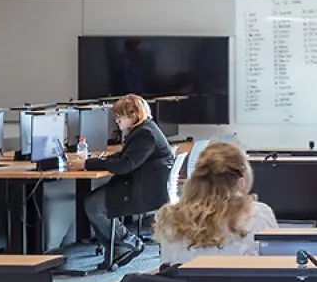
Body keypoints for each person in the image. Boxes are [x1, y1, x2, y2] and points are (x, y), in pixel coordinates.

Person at [68, 94, 173, 271]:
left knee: (94, 204)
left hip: (143, 190)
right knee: (92, 202)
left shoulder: (145, 135)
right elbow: (126, 156)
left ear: (134, 116)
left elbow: (126, 164)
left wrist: (87, 163)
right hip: (143, 184)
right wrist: (97, 161)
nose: (116, 121)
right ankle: (118, 248)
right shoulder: (145, 129)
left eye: (119, 117)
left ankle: (128, 242)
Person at [149, 141, 277, 267]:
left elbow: (166, 267)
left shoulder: (168, 217)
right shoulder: (259, 214)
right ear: (241, 182)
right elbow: (276, 263)